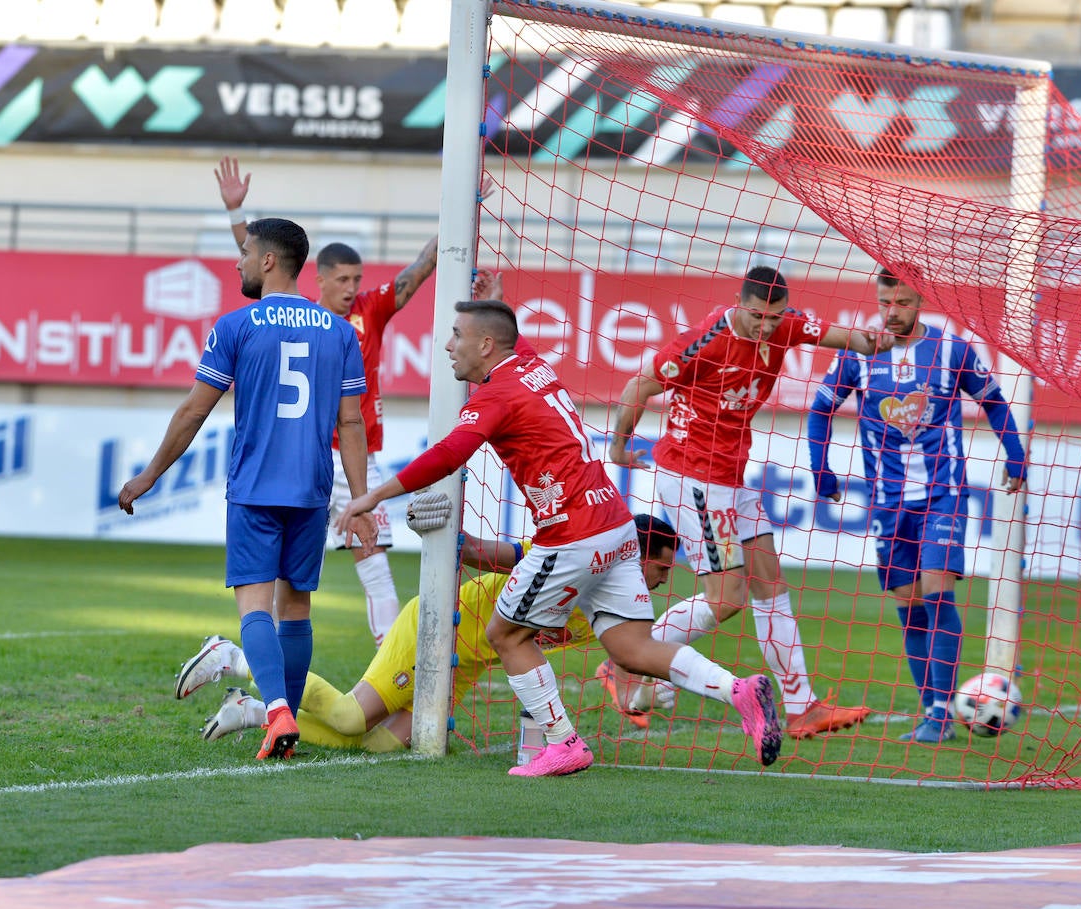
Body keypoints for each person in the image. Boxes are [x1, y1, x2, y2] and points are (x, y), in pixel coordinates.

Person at [336, 297, 783, 777]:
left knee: (505, 634)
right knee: (631, 648)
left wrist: (371, 496)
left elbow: (448, 454)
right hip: (615, 523)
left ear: (486, 345)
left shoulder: (496, 395)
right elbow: (508, 332)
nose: (448, 345)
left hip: (572, 533)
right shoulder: (529, 362)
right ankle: (736, 689)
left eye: (457, 335)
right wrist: (497, 291)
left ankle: (562, 742)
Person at [119, 217, 377, 761]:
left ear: (267, 262)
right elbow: (351, 424)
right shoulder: (340, 332)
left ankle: (277, 712)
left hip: (256, 487)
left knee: (255, 609)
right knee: (297, 609)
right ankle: (278, 720)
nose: (237, 262)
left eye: (244, 252)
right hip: (312, 489)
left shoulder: (236, 325)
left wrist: (149, 475)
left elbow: (195, 409)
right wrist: (361, 500)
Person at [606, 265, 885, 741]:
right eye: (757, 316)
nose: (766, 327)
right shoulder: (705, 340)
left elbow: (848, 338)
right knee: (727, 599)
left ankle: (803, 707)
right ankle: (627, 659)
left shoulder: (788, 325)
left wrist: (881, 339)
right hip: (694, 476)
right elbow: (640, 385)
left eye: (774, 318)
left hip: (733, 476)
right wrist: (618, 446)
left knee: (770, 583)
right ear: (740, 302)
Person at [176, 514, 683, 752]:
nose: (663, 581)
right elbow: (491, 554)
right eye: (660, 569)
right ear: (634, 558)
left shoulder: (617, 610)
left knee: (379, 748)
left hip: (467, 664)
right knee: (352, 719)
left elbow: (628, 657)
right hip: (437, 628)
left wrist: (647, 691)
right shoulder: (568, 562)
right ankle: (237, 657)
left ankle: (249, 710)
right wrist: (448, 537)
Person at [215, 156, 440, 647]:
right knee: (290, 583)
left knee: (375, 560)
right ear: (318, 279)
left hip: (361, 456)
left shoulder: (370, 311)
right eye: (343, 280)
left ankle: (390, 658)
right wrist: (237, 215)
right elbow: (259, 261)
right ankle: (267, 664)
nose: (352, 289)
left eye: (357, 280)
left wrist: (456, 218)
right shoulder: (305, 318)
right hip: (311, 459)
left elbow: (419, 271)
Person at [806, 267, 1026, 743]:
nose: (892, 312)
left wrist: (1015, 452)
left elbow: (994, 401)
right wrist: (820, 467)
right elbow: (821, 407)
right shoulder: (860, 352)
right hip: (887, 502)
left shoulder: (952, 350)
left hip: (943, 494)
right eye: (885, 302)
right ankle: (932, 709)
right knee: (908, 607)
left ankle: (943, 713)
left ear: (919, 300)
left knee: (936, 592)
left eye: (901, 303)